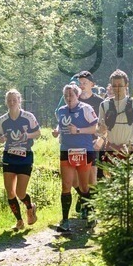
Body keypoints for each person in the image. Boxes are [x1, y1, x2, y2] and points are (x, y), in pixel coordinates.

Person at [53, 83, 99, 232]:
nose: (68, 98)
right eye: (66, 95)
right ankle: (65, 220)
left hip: (84, 150)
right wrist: (57, 131)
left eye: (71, 95)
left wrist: (78, 130)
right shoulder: (61, 111)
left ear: (77, 95)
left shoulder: (86, 109)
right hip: (66, 150)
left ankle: (90, 211)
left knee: (84, 186)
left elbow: (95, 128)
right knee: (67, 185)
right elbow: (62, 125)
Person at [0, 89, 41, 230]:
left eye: (14, 100)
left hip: (25, 156)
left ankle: (30, 207)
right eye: (9, 100)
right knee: (10, 192)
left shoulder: (28, 117)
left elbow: (38, 133)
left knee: (20, 192)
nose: (12, 102)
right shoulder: (2, 120)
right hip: (9, 156)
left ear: (19, 101)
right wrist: (0, 139)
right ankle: (19, 221)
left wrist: (27, 136)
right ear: (6, 102)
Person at [98, 70, 133, 171]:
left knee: (125, 181)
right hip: (112, 148)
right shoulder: (104, 105)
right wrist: (101, 129)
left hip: (130, 149)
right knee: (114, 180)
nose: (117, 88)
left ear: (126, 85)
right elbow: (99, 127)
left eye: (120, 85)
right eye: (114, 85)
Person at [75, 71, 105, 188]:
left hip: (95, 143)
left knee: (95, 177)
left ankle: (91, 203)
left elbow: (105, 123)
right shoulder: (75, 100)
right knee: (78, 175)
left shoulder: (99, 102)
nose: (82, 85)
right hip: (78, 142)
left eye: (85, 83)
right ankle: (83, 199)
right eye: (80, 83)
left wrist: (101, 139)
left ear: (92, 84)